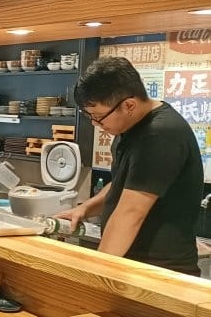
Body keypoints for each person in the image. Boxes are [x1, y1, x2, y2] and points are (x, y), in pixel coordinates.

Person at [56, 56, 202, 276]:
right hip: (131, 263)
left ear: (129, 105)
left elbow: (131, 213)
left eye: (99, 117)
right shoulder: (128, 128)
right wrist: (86, 208)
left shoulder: (160, 134)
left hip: (159, 270)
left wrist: (95, 273)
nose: (96, 125)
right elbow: (124, 183)